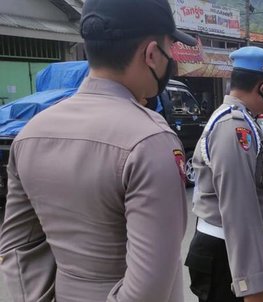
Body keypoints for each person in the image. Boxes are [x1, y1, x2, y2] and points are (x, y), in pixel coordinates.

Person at [0, 0, 196, 301]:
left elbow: (17, 248)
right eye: (170, 49)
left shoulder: (30, 134)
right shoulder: (150, 140)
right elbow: (149, 289)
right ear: (153, 54)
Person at [185, 46, 263, 302]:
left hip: (234, 254)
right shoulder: (233, 128)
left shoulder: (247, 122)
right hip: (227, 258)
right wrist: (252, 284)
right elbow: (239, 209)